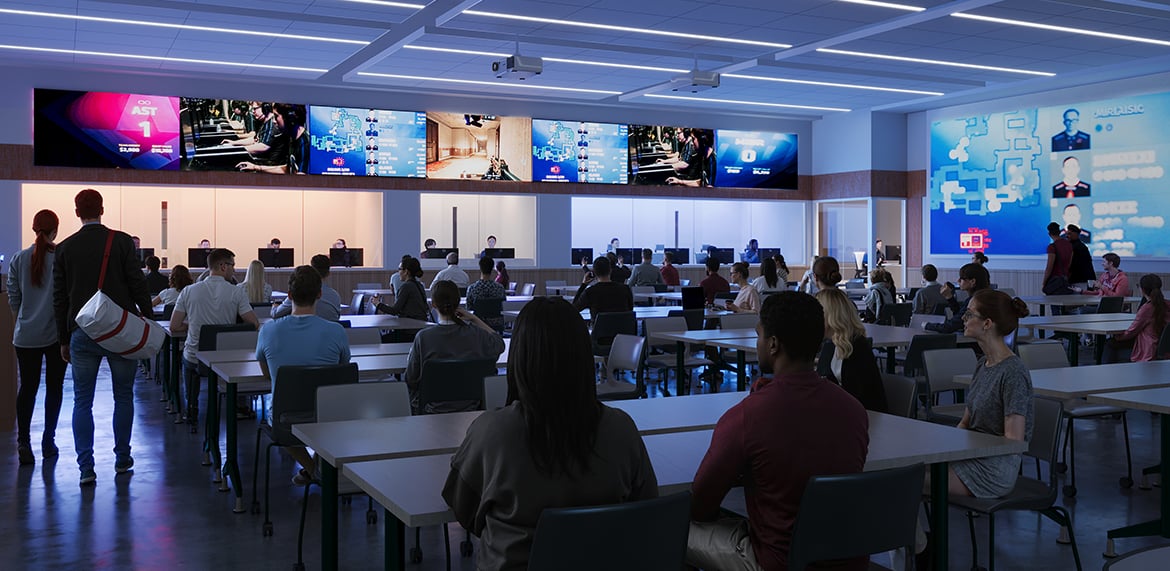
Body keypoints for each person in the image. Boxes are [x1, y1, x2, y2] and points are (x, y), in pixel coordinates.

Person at [442, 297, 657, 570]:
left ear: (519, 356)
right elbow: (645, 508)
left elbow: (463, 509)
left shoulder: (493, 431)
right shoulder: (621, 429)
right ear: (583, 355)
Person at [686, 292, 869, 570]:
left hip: (778, 562)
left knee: (673, 528)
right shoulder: (854, 410)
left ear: (773, 344)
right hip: (847, 561)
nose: (757, 342)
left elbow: (700, 505)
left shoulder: (747, 415)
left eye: (759, 335)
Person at [53, 189, 153, 485]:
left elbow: (59, 298)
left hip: (82, 333)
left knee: (82, 401)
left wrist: (63, 339)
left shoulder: (64, 248)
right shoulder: (121, 241)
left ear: (77, 213)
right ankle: (122, 458)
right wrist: (147, 318)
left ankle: (86, 467)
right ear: (102, 210)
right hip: (121, 331)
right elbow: (137, 283)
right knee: (124, 396)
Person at [255, 265, 350, 484]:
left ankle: (313, 470)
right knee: (331, 419)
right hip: (330, 417)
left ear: (289, 296)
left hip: (284, 419)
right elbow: (342, 369)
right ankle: (317, 469)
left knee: (282, 425)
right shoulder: (336, 331)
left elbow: (267, 374)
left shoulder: (268, 330)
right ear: (319, 294)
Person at [949, 289, 1033, 498]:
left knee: (909, 479)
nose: (963, 318)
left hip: (994, 470)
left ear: (987, 324)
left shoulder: (1013, 372)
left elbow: (1013, 441)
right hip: (971, 455)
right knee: (908, 473)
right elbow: (966, 422)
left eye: (969, 314)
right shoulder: (983, 365)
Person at [170, 248, 260, 427]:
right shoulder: (236, 292)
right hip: (223, 361)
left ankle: (191, 408)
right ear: (223, 266)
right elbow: (254, 323)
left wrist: (192, 325)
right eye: (233, 265)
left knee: (188, 361)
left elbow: (174, 326)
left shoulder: (188, 291)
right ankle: (236, 406)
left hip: (195, 357)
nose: (235, 270)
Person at [9, 209, 66, 465]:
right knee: (54, 388)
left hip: (26, 336)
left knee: (28, 388)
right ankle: (48, 441)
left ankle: (23, 441)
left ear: (34, 229)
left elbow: (14, 298)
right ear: (55, 230)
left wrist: (21, 323)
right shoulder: (61, 258)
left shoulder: (18, 258)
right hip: (55, 336)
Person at [405, 280, 505, 411]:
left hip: (433, 411)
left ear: (433, 304)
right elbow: (500, 344)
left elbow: (411, 379)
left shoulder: (423, 338)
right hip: (472, 409)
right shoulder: (478, 334)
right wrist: (474, 319)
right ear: (458, 303)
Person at [815, 288, 888, 412]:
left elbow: (856, 395)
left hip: (865, 416)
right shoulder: (833, 344)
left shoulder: (857, 347)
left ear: (829, 315)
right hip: (848, 413)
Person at [1103, 275, 1168, 363]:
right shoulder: (1166, 305)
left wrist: (1117, 337)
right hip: (1164, 350)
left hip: (1148, 350)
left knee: (1110, 343)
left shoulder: (1147, 308)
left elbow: (1132, 331)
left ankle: (1104, 369)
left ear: (1142, 290)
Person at [925, 263, 991, 334]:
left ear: (972, 281)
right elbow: (960, 318)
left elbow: (950, 327)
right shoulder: (981, 297)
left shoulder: (975, 301)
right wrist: (949, 297)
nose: (958, 281)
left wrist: (926, 325)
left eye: (961, 278)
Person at [272, 255, 341, 321]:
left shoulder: (300, 291)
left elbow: (276, 314)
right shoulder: (335, 296)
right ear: (328, 273)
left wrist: (275, 306)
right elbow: (337, 317)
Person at [373, 257, 429, 322]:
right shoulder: (419, 285)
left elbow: (394, 311)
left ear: (406, 272)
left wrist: (377, 303)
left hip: (411, 325)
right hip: (420, 323)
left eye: (399, 269)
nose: (398, 272)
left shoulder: (406, 287)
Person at [467, 256, 507, 331]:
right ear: (492, 269)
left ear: (480, 268)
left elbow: (469, 308)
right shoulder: (500, 288)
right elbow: (503, 305)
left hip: (478, 323)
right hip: (496, 323)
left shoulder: (472, 288)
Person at [1042, 221, 1073, 296]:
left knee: (1054, 302)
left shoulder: (1052, 247)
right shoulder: (1069, 245)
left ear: (1049, 234)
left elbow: (1049, 267)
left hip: (1055, 282)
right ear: (1059, 232)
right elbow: (1069, 264)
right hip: (1065, 281)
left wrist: (1044, 282)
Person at [1066, 225, 1095, 291]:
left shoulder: (1078, 247)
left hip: (1080, 280)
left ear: (1076, 234)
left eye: (1070, 234)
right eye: (1067, 234)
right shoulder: (1079, 246)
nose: (1067, 236)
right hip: (1080, 280)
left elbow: (1074, 265)